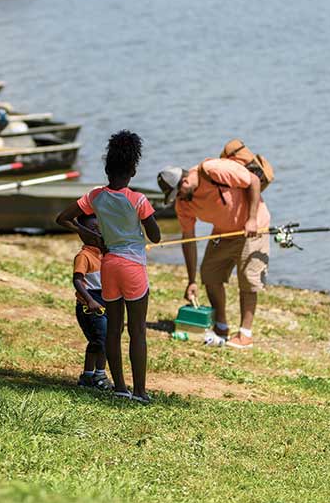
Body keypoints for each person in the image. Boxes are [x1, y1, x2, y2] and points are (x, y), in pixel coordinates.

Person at [57, 130, 160, 404]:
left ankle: (120, 388)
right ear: (133, 171)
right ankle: (140, 392)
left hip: (109, 265)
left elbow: (63, 218)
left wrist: (88, 234)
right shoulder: (138, 200)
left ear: (106, 169)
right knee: (137, 331)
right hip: (133, 266)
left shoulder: (95, 196)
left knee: (114, 329)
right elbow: (156, 236)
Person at [157, 140, 273, 350]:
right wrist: (191, 281)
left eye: (178, 193)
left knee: (248, 279)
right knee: (210, 275)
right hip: (223, 232)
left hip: (252, 227)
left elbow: (254, 181)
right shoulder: (184, 204)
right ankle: (221, 326)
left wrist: (252, 219)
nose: (178, 199)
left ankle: (245, 334)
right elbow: (188, 241)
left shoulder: (213, 170)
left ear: (185, 181)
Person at [71, 214, 111, 391]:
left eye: (100, 229)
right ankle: (97, 375)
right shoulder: (84, 256)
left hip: (105, 303)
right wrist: (89, 300)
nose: (98, 233)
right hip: (90, 306)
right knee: (101, 340)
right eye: (93, 229)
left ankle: (90, 375)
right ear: (83, 233)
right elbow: (77, 280)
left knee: (99, 341)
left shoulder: (105, 254)